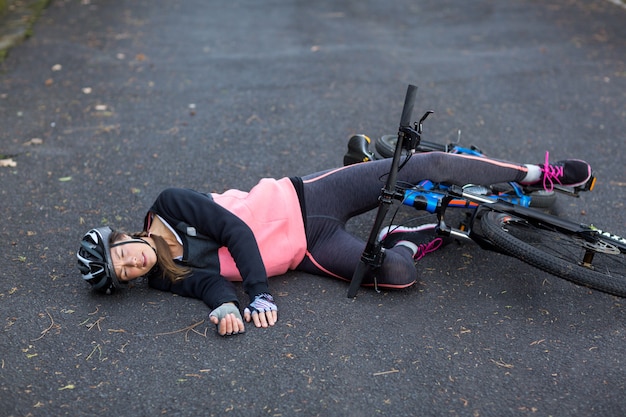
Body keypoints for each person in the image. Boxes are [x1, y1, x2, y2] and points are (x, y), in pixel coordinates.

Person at [76, 139, 593, 336]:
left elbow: (233, 230)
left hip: (304, 200)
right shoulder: (168, 279)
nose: (132, 267)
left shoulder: (168, 205)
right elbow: (209, 287)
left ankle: (535, 174)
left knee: (418, 166)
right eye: (124, 276)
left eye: (122, 257)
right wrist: (225, 309)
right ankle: (410, 231)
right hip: (307, 250)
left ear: (123, 236)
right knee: (396, 275)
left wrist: (257, 292)